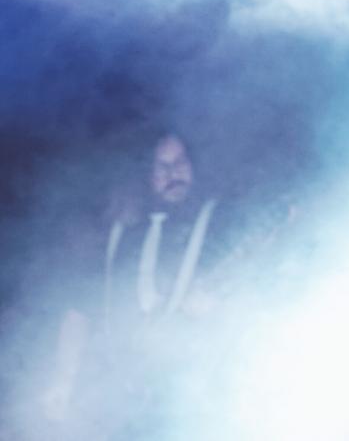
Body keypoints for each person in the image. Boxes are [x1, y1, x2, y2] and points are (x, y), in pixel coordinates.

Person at [43, 132, 225, 439]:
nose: (172, 174)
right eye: (160, 167)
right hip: (119, 398)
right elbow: (78, 310)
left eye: (180, 162)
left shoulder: (220, 223)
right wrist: (63, 381)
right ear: (148, 175)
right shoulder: (121, 230)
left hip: (195, 399)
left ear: (194, 165)